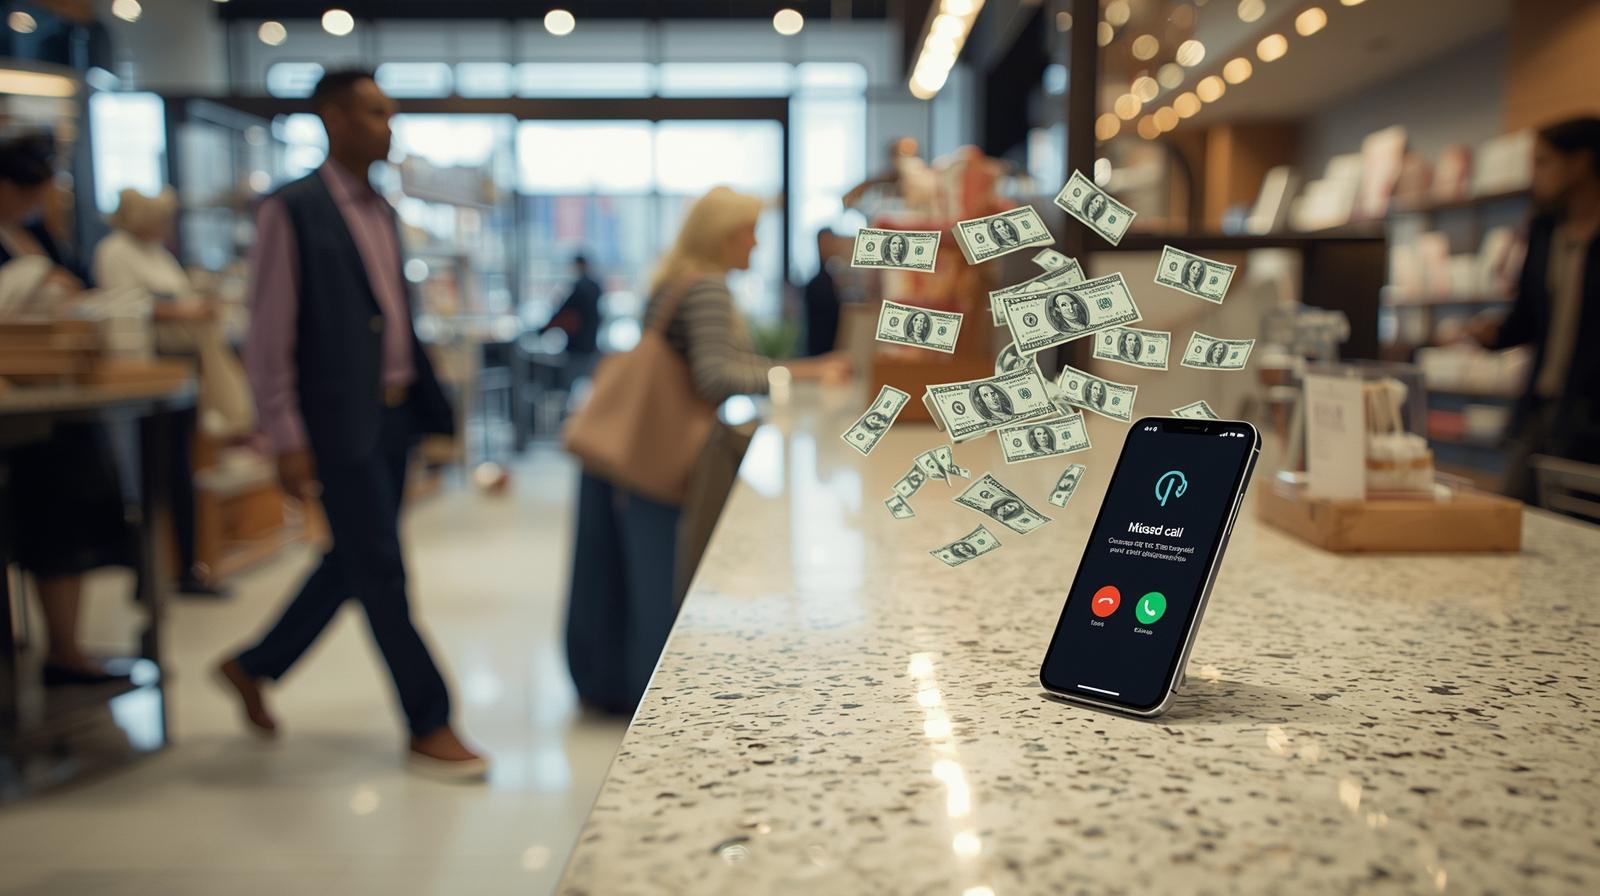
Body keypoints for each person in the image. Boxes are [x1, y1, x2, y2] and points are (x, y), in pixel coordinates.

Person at [217, 70, 485, 779]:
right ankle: (431, 718)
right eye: (374, 113)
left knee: (357, 558)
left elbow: (394, 319)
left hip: (390, 417)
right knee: (383, 570)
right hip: (335, 423)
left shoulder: (383, 211)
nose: (388, 127)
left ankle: (253, 664)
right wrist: (285, 436)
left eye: (391, 113)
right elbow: (270, 333)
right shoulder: (292, 210)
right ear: (333, 118)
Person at [564, 186, 848, 714]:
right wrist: (802, 372)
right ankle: (657, 707)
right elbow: (716, 375)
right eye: (750, 232)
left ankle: (623, 686)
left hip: (639, 448)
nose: (757, 243)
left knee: (633, 575)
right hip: (660, 455)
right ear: (724, 235)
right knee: (659, 581)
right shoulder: (708, 289)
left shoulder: (677, 281)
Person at [0, 133, 135, 685]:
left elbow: (79, 287)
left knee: (65, 516)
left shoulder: (33, 234)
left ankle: (64, 647)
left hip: (55, 403)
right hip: (16, 405)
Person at [94, 187, 235, 597]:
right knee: (144, 478)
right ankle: (147, 572)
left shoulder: (159, 254)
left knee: (179, 472)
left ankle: (186, 567)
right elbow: (124, 307)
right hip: (139, 376)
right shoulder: (116, 251)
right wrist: (182, 310)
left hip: (178, 374)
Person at [1468, 117, 1600, 501]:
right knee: (1516, 516)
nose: (1534, 174)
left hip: (1592, 411)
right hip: (1543, 407)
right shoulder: (1545, 231)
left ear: (1580, 162)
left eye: (1543, 161)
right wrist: (1492, 335)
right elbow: (1528, 317)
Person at [539, 252, 603, 386]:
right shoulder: (595, 287)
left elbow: (564, 313)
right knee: (590, 385)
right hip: (592, 344)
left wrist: (542, 330)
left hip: (577, 346)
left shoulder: (579, 288)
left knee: (572, 385)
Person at [801, 229, 843, 356]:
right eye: (827, 241)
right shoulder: (817, 284)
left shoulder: (831, 279)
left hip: (830, 350)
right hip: (819, 352)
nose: (832, 246)